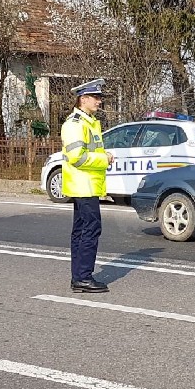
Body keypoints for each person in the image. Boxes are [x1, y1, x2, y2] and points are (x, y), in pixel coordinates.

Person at [62, 78, 113, 293]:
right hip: (84, 186)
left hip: (86, 185)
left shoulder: (88, 122)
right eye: (96, 97)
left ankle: (79, 277)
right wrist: (105, 159)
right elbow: (76, 157)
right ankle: (83, 277)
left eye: (100, 97)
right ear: (83, 99)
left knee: (82, 231)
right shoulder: (75, 124)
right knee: (90, 230)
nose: (100, 101)